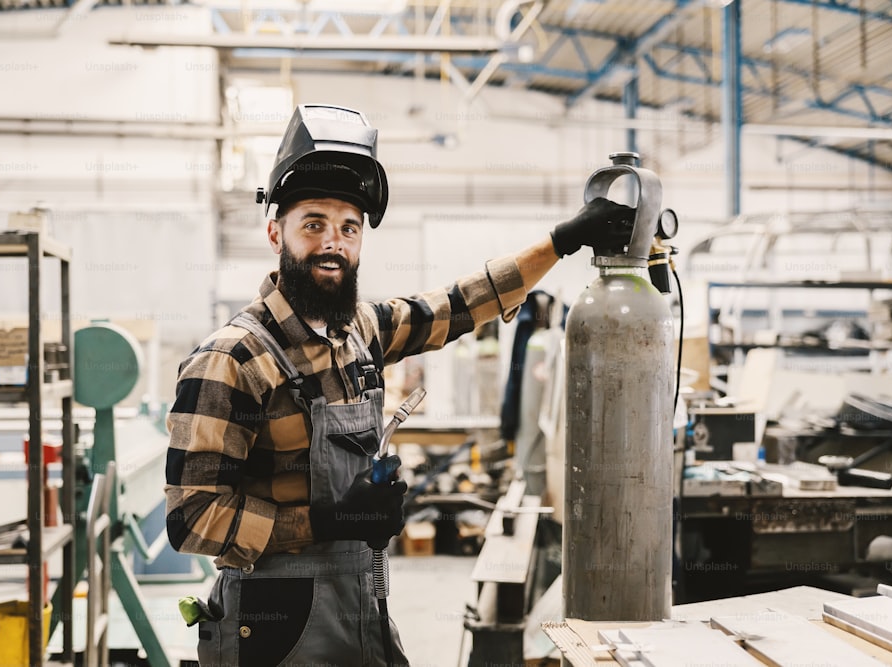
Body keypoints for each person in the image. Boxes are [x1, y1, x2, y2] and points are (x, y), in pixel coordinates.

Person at [165, 103, 634, 667]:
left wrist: (561, 242)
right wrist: (331, 521)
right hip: (269, 624)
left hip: (361, 599)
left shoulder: (358, 331)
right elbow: (192, 519)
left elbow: (460, 305)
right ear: (275, 232)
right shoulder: (231, 359)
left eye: (348, 228)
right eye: (313, 224)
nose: (333, 243)